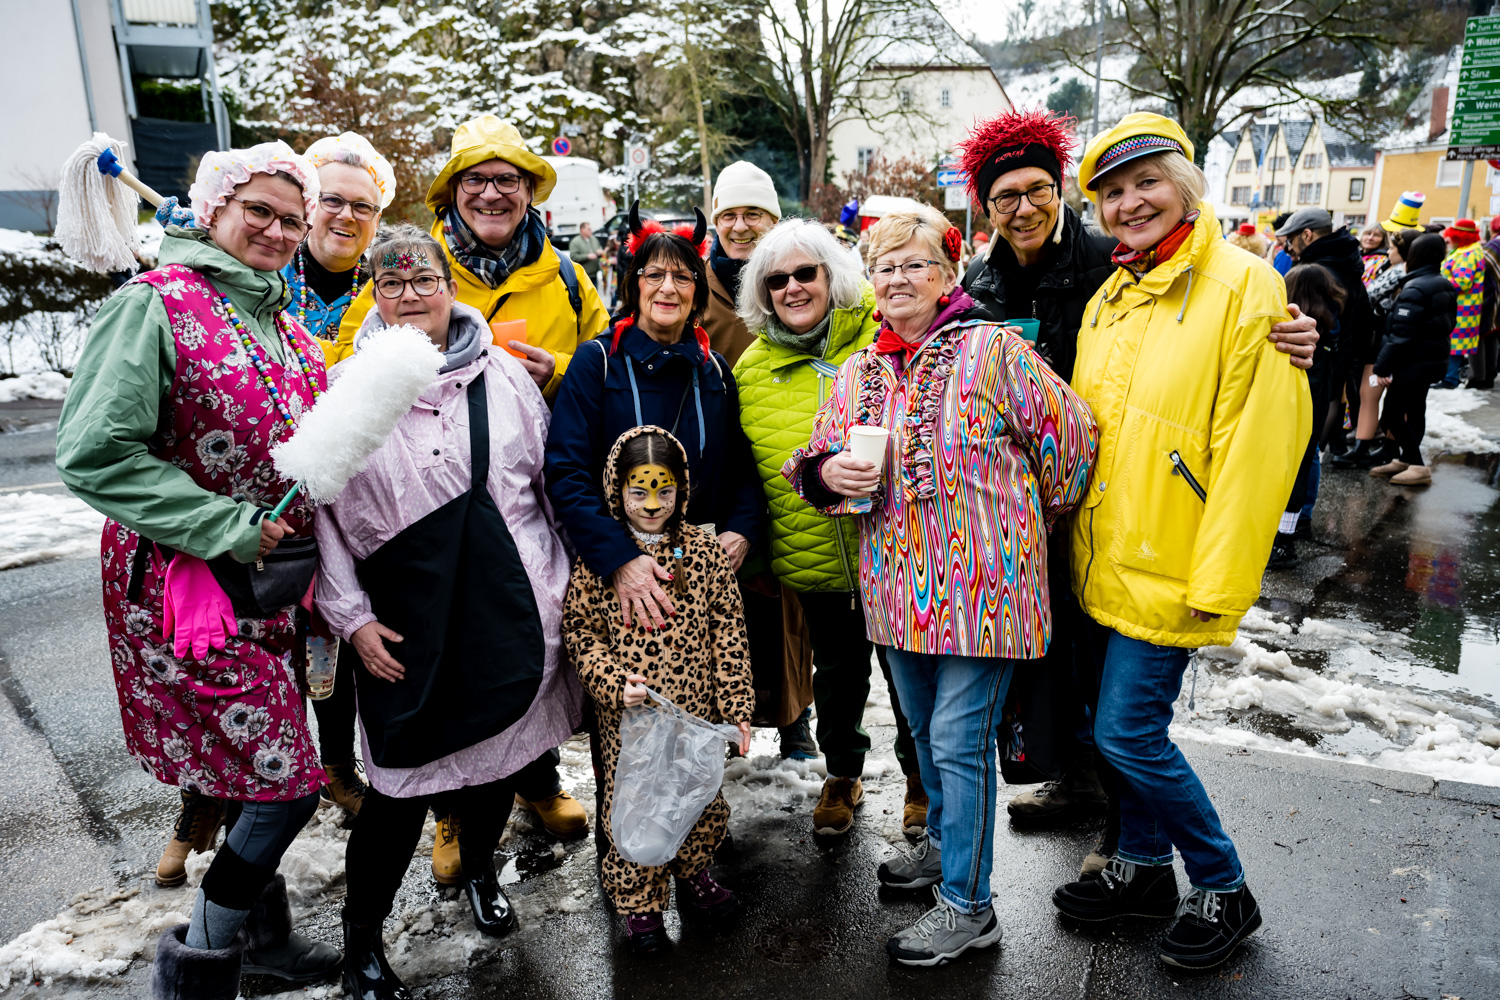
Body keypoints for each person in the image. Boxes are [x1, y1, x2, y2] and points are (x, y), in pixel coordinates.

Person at [956, 108, 1321, 861]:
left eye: (1036, 190)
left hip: (1132, 523)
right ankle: (1095, 799)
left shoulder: (1113, 262)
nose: (1021, 208)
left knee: (1119, 706)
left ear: (1059, 193)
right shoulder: (991, 281)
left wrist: (1305, 341)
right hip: (1035, 514)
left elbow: (1251, 422)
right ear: (985, 207)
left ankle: (1139, 844)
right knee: (1061, 673)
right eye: (1003, 197)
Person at [56, 141, 342, 998]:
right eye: (257, 210)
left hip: (268, 589)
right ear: (212, 209)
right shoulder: (154, 305)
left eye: (294, 219)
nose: (279, 230)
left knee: (250, 769)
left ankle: (263, 940)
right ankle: (201, 968)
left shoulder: (282, 324)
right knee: (285, 785)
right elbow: (94, 452)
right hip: (187, 593)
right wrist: (223, 524)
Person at [785, 205, 1098, 966]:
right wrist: (829, 473)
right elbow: (812, 460)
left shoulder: (993, 351)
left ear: (947, 274)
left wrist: (1021, 522)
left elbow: (1074, 445)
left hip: (987, 595)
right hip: (897, 593)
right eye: (882, 266)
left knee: (959, 746)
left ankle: (969, 905)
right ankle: (945, 854)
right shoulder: (861, 369)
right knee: (926, 741)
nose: (896, 278)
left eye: (913, 264)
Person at [1050, 113, 1310, 971]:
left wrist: (1223, 574)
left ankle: (1223, 885)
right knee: (1109, 729)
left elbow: (1259, 445)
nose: (1129, 205)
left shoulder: (1245, 287)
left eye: (1145, 184)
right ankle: (1140, 867)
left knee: (1130, 735)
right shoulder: (1112, 296)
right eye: (1112, 194)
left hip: (1176, 563)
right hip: (1104, 557)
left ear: (1186, 185)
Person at [314, 225, 579, 999]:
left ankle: (479, 870)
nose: (407, 297)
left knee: (500, 752)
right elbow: (324, 522)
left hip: (512, 603)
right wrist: (352, 618)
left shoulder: (504, 376)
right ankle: (360, 942)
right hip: (405, 624)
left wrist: (560, 586)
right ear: (373, 292)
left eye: (422, 281)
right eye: (389, 284)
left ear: (448, 286)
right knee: (398, 790)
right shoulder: (348, 390)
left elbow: (543, 486)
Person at [335, 114, 603, 855]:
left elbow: (601, 364)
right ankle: (449, 815)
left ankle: (536, 784)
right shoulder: (402, 270)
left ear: (527, 192)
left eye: (507, 180)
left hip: (527, 479)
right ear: (453, 194)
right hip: (425, 507)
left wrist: (561, 371)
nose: (492, 193)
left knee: (521, 645)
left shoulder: (569, 277)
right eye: (477, 180)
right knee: (453, 665)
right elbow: (349, 374)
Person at [732, 218, 926, 837]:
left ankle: (921, 783)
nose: (792, 287)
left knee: (909, 681)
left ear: (831, 276)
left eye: (805, 273)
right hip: (813, 557)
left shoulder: (884, 338)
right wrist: (760, 563)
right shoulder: (752, 370)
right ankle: (842, 775)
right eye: (776, 279)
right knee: (837, 681)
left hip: (896, 555)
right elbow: (746, 479)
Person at [563, 426, 754, 956]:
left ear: (682, 488)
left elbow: (728, 632)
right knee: (637, 803)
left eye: (664, 491)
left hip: (695, 714)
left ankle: (694, 872)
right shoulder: (604, 558)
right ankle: (640, 901)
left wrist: (737, 709)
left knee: (695, 794)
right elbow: (580, 631)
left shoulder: (704, 552)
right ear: (616, 489)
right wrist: (610, 683)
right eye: (639, 491)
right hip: (631, 719)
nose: (652, 504)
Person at [283, 131, 397, 820]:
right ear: (308, 204)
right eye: (332, 201)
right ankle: (222, 793)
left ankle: (335, 764)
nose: (346, 217)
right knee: (263, 644)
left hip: (353, 491)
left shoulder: (384, 289)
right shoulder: (264, 272)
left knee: (342, 632)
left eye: (363, 206)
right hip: (272, 491)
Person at [701, 161, 816, 758]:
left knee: (785, 601)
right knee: (726, 599)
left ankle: (794, 718)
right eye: (730, 215)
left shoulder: (793, 277)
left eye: (754, 215)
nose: (741, 227)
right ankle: (728, 716)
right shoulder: (697, 284)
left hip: (787, 458)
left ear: (774, 219)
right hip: (720, 466)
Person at [1272, 207, 1374, 562]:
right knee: (1309, 450)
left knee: (1303, 454)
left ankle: (1294, 525)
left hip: (1322, 370)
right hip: (1333, 366)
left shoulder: (1320, 269)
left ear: (1308, 234)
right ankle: (1299, 520)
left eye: (1291, 240)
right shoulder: (1343, 260)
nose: (1288, 248)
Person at [1268, 263, 1346, 567]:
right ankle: (1288, 535)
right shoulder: (1330, 326)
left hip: (1290, 404)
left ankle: (1280, 543)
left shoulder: (1287, 328)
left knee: (1281, 469)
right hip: (1318, 405)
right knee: (1303, 464)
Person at [1339, 206, 1425, 468]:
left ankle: (1399, 454)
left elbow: (1371, 295)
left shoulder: (1402, 274)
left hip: (1387, 343)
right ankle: (1368, 447)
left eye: (1391, 246)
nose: (1387, 250)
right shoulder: (1396, 270)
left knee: (1389, 400)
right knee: (1371, 395)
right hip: (1381, 342)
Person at [1370, 233, 1458, 487]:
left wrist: (1382, 366)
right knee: (1415, 410)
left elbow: (1402, 335)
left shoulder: (1416, 288)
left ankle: (1417, 464)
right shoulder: (1442, 283)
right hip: (1430, 359)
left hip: (1412, 362)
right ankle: (1407, 458)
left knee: (1391, 416)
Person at [1439, 219, 1483, 389]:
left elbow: (1463, 281)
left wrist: (1440, 280)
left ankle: (1450, 379)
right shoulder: (1467, 251)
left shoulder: (1467, 255)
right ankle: (1449, 377)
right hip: (1463, 305)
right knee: (1454, 342)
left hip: (1461, 306)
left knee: (1455, 343)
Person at [1477, 215, 1500, 389]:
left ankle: (1482, 377)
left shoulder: (1494, 245)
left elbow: (1481, 268)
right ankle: (1489, 374)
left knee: (1485, 335)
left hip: (1491, 297)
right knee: (1492, 336)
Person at [570, 220, 604, 291]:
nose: (591, 231)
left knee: (594, 294)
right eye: (589, 229)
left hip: (594, 273)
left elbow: (599, 248)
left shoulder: (594, 239)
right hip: (583, 275)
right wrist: (587, 256)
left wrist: (600, 251)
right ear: (582, 230)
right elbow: (573, 257)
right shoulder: (575, 242)